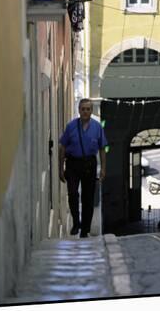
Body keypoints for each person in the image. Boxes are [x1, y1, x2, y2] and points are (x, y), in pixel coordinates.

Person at [59, 98, 108, 238]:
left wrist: (103, 168)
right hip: (73, 163)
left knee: (88, 198)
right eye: (83, 109)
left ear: (91, 111)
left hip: (89, 164)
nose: (85, 112)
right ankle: (76, 222)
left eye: (88, 109)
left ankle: (85, 229)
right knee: (73, 193)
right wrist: (60, 168)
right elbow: (62, 147)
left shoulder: (97, 127)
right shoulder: (71, 127)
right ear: (79, 110)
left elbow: (102, 149)